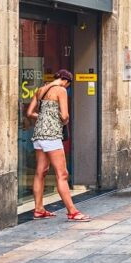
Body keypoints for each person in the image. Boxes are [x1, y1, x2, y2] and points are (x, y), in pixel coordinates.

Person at [25, 70, 89, 222]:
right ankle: (72, 211)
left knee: (41, 171)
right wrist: (61, 121)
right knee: (62, 174)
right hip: (52, 135)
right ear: (66, 81)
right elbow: (65, 116)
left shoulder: (41, 90)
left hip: (39, 134)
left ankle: (39, 209)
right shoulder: (60, 90)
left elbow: (29, 112)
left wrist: (45, 117)